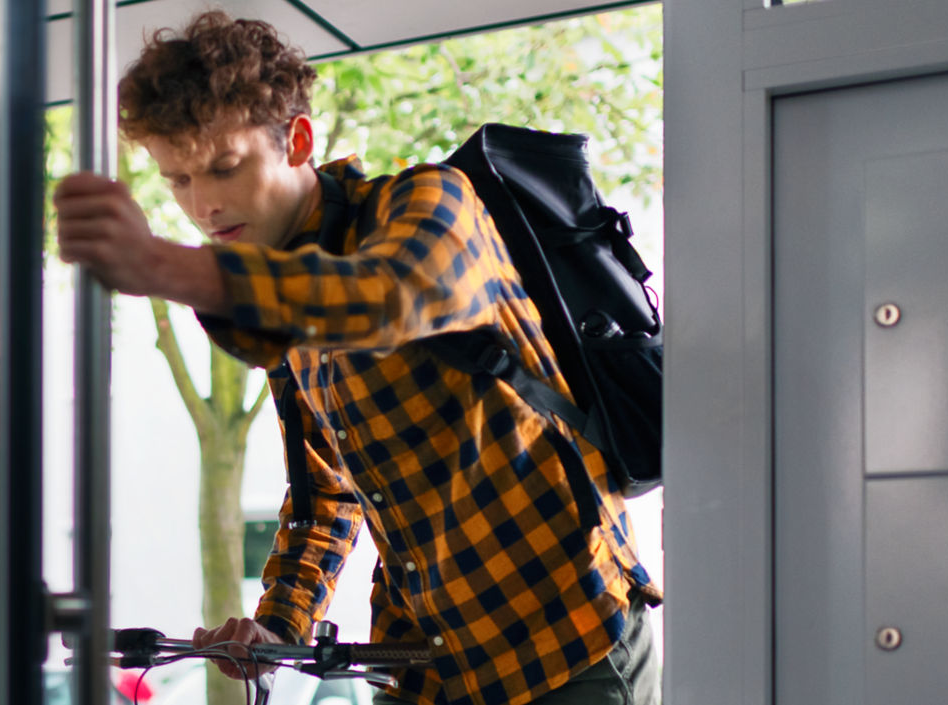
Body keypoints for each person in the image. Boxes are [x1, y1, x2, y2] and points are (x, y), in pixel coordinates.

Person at [52, 11, 662, 705]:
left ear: (298, 141)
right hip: (427, 666)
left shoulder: (430, 202)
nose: (204, 206)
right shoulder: (286, 311)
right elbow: (326, 494)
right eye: (178, 180)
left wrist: (164, 265)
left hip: (568, 641)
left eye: (224, 167)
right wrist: (276, 627)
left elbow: (385, 299)